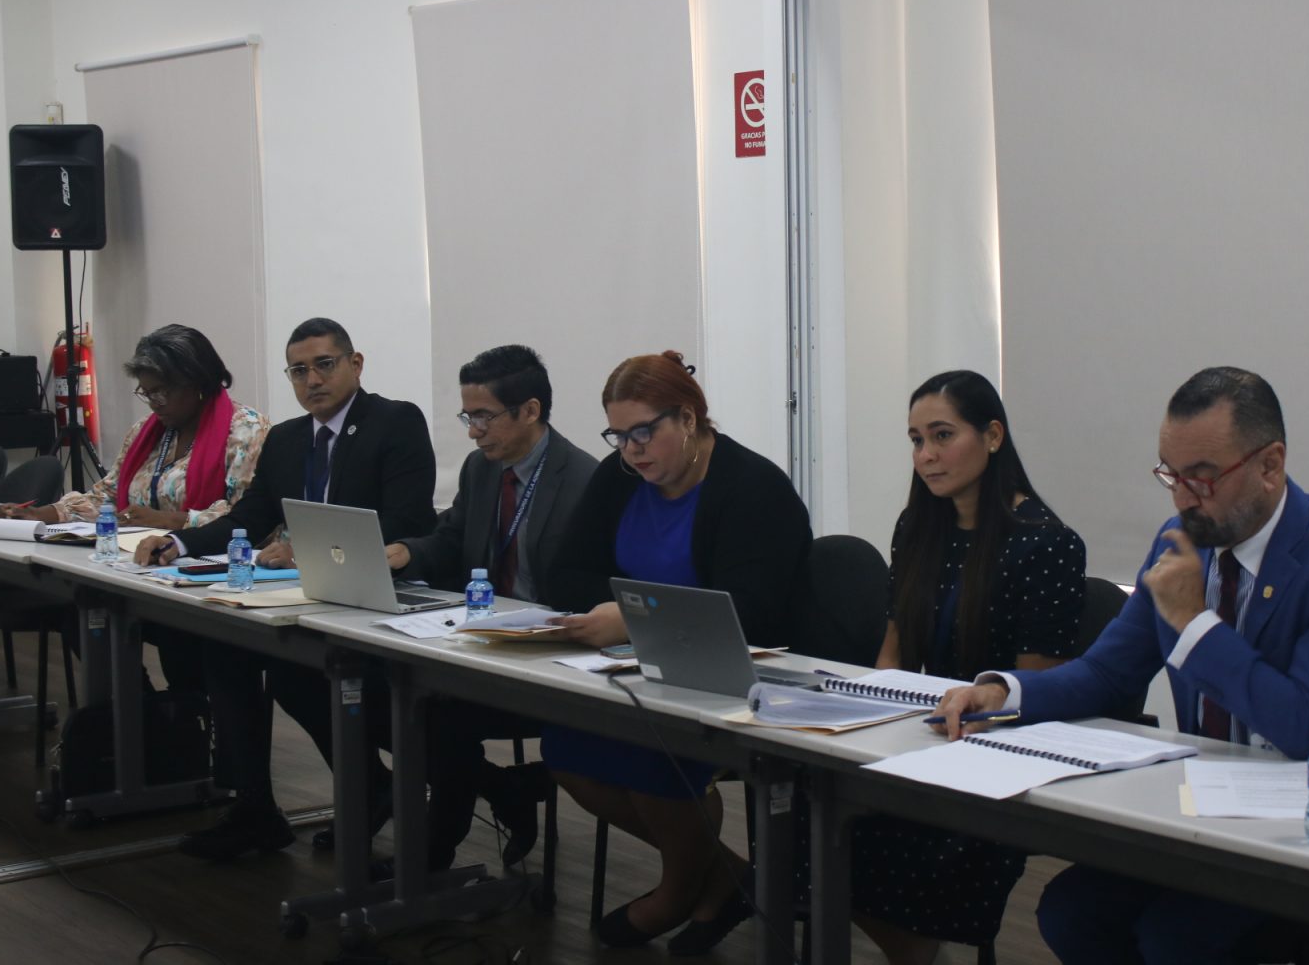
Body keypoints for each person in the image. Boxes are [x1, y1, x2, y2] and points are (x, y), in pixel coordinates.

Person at [935, 366, 1309, 964]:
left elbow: (1305, 726)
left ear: (1270, 464)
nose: (1182, 499)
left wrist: (1195, 624)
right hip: (1211, 818)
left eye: (1201, 478)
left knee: (1174, 939)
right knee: (1070, 913)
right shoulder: (1180, 541)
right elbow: (1108, 673)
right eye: (1170, 475)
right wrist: (1005, 693)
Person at [134, 317, 438, 861]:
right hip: (307, 597)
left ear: (355, 364)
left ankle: (385, 785)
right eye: (298, 371)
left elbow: (407, 520)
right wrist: (179, 543)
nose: (312, 380)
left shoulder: (394, 422)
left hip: (381, 594)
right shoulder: (288, 439)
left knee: (298, 676)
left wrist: (309, 550)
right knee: (227, 650)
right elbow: (250, 517)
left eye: (324, 365)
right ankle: (254, 808)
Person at [541, 351, 811, 956]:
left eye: (644, 432)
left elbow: (750, 614)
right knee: (566, 748)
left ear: (688, 419)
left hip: (738, 679)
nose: (631, 451)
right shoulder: (620, 477)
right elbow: (565, 574)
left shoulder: (753, 488)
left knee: (649, 755)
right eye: (618, 436)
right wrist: (638, 620)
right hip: (641, 670)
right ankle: (724, 875)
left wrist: (633, 618)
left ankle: (679, 888)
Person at [852, 369, 1084, 965]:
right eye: (915, 440)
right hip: (917, 736)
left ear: (993, 436)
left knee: (863, 839)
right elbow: (894, 651)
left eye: (942, 435)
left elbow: (1037, 689)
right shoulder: (917, 526)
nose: (925, 456)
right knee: (809, 815)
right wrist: (867, 724)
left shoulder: (1046, 543)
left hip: (992, 757)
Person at [384, 345, 596, 872]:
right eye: (468, 417)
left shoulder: (583, 481)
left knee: (437, 715)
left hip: (547, 658)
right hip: (485, 643)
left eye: (484, 417)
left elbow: (589, 593)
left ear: (530, 410)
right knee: (384, 693)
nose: (473, 433)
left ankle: (430, 858)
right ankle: (503, 790)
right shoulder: (481, 470)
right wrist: (407, 552)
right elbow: (452, 539)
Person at [0, 323, 269, 693]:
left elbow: (250, 515)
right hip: (142, 567)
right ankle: (143, 712)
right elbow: (107, 496)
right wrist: (44, 514)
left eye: (163, 391)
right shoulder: (149, 430)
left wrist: (173, 521)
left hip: (209, 574)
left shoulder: (246, 430)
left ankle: (173, 713)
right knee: (83, 610)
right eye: (147, 392)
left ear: (198, 381)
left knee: (176, 641)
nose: (155, 402)